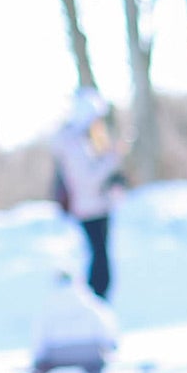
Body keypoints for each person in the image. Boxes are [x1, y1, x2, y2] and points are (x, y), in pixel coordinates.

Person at [50, 89, 127, 299]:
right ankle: (94, 303)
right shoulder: (75, 144)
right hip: (90, 208)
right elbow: (88, 180)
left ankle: (96, 303)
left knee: (100, 259)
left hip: (97, 205)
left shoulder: (85, 140)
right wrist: (112, 159)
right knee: (99, 260)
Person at [29, 270, 118, 373]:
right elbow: (104, 326)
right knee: (96, 364)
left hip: (56, 354)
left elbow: (39, 335)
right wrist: (110, 346)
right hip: (90, 352)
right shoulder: (90, 301)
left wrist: (37, 358)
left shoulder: (48, 304)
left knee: (41, 367)